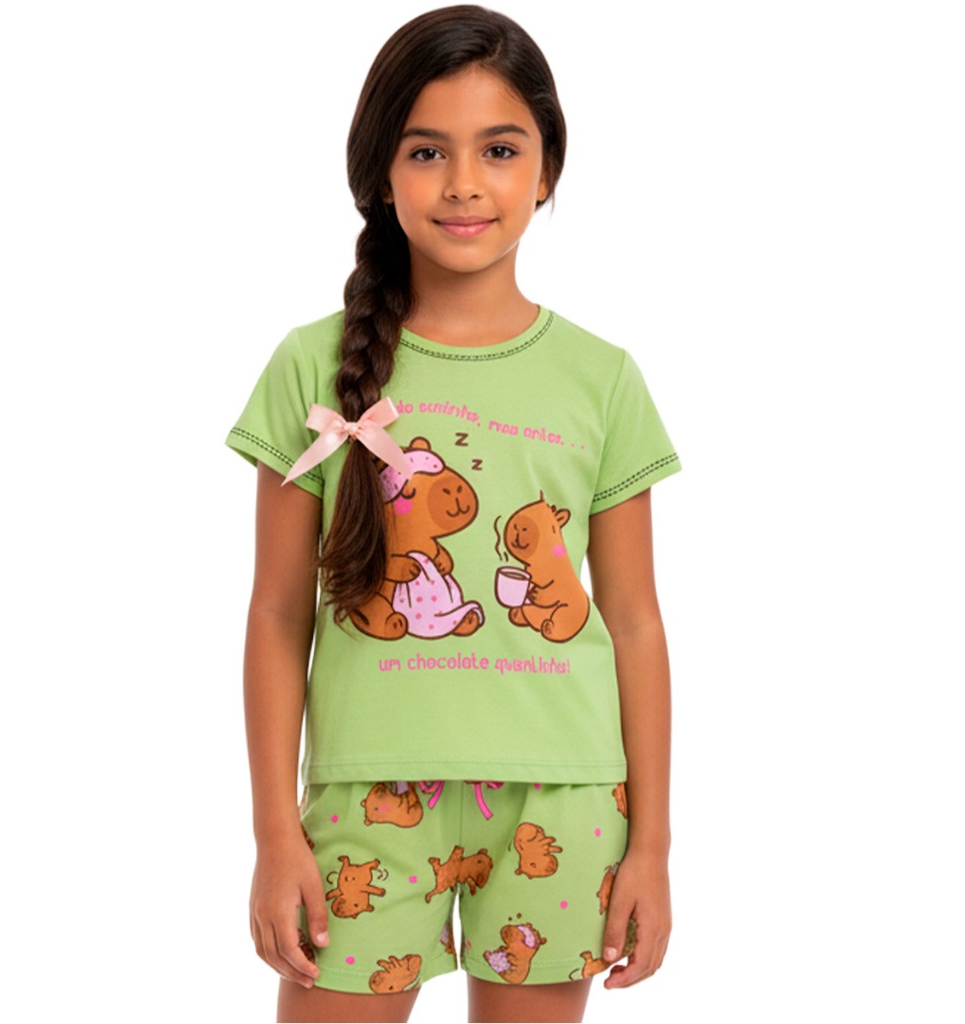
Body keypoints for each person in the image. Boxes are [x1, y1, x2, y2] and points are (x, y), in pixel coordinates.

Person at [225, 7, 680, 1022]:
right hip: (365, 800)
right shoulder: (310, 364)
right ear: (380, 174)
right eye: (427, 150)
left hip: (564, 798)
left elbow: (635, 620)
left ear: (546, 169)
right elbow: (277, 613)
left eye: (500, 150)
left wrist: (651, 843)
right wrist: (273, 832)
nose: (464, 183)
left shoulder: (602, 378)